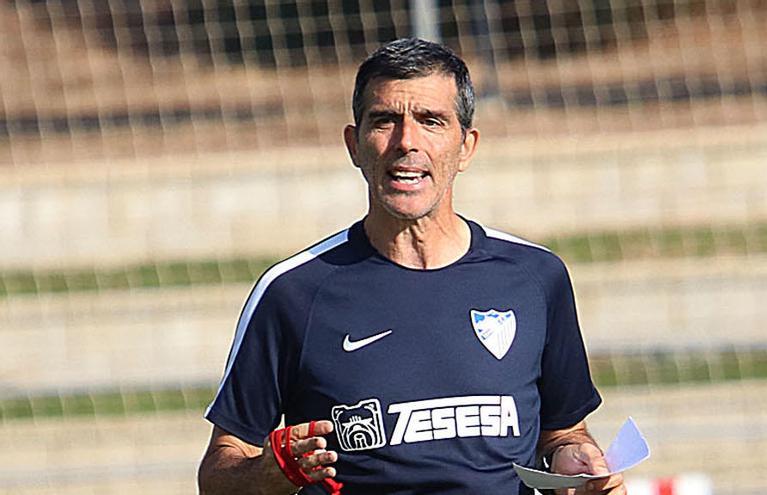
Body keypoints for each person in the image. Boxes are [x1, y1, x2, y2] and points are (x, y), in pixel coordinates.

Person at [197, 38, 626, 495]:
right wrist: (269, 475)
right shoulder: (294, 292)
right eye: (384, 121)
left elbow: (563, 432)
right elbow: (219, 474)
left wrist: (576, 462)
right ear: (354, 144)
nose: (407, 142)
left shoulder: (535, 277)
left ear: (466, 146)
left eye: (431, 121)